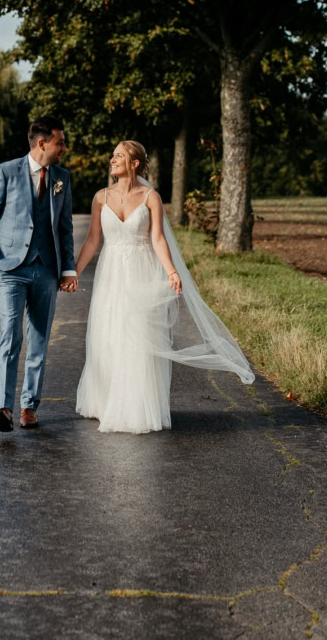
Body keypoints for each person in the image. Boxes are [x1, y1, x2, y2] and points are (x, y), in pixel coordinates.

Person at [75, 140, 254, 434]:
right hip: (111, 275)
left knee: (139, 338)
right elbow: (93, 240)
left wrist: (171, 271)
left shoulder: (150, 197)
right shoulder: (100, 197)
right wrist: (74, 273)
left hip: (141, 271)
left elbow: (157, 238)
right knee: (109, 335)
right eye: (112, 156)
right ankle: (107, 401)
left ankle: (136, 406)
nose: (112, 160)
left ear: (134, 163)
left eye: (118, 156)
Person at [0, 117, 77, 432]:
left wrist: (67, 269)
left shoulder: (62, 177)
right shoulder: (6, 172)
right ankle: (4, 408)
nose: (64, 148)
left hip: (46, 270)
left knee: (39, 339)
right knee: (11, 334)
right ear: (42, 143)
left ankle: (28, 407)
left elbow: (64, 228)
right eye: (60, 142)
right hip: (10, 270)